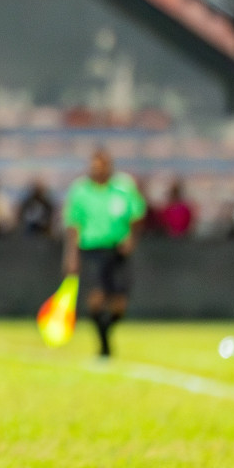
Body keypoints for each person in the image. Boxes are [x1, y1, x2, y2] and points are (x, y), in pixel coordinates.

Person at [62, 148, 147, 359]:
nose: (99, 170)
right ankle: (104, 347)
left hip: (117, 251)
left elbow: (137, 217)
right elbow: (73, 225)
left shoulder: (124, 187)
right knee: (96, 299)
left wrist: (132, 239)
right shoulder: (80, 191)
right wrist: (71, 255)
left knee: (119, 305)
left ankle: (105, 335)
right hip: (92, 249)